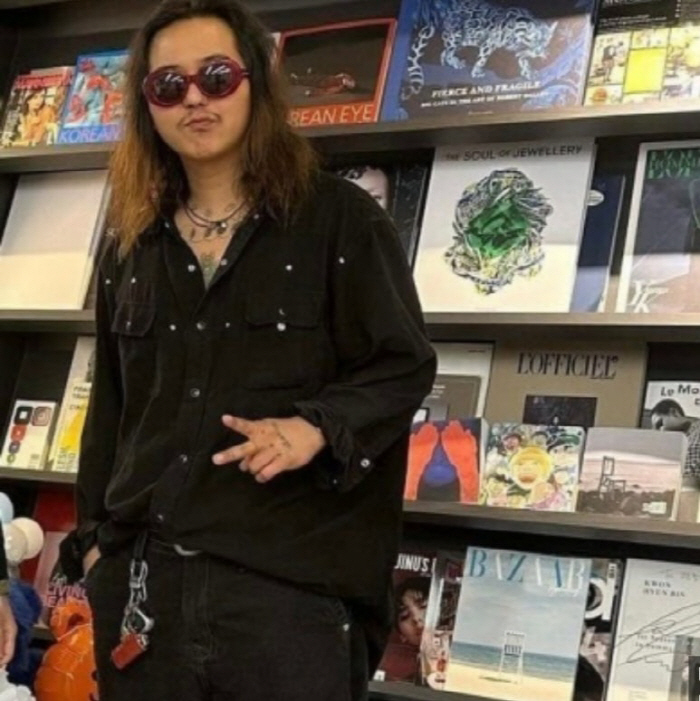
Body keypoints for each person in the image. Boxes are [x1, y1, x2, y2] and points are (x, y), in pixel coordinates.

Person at [58, 1, 436, 700]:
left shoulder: (342, 221)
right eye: (168, 85)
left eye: (216, 76)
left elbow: (403, 364)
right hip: (143, 589)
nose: (193, 98)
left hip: (287, 597)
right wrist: (95, 549)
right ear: (146, 106)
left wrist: (316, 427)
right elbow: (111, 408)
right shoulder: (130, 245)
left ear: (255, 84)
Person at [650, 398, 700, 477]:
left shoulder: (696, 436)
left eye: (660, 424)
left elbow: (691, 477)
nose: (661, 431)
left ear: (674, 412)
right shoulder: (682, 441)